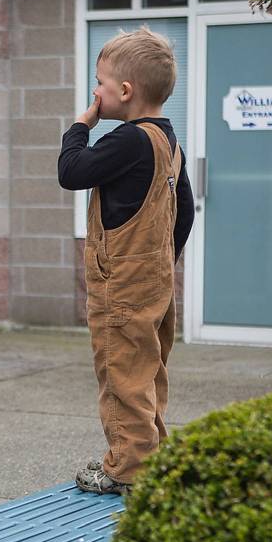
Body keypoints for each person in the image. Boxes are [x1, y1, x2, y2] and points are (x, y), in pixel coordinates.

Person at [57, 26, 194, 496]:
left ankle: (127, 469)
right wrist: (162, 262)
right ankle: (151, 453)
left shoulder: (127, 140)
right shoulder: (168, 141)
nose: (95, 92)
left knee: (120, 372)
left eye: (99, 83)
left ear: (125, 91)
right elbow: (186, 212)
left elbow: (71, 172)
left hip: (122, 283)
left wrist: (80, 127)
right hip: (156, 280)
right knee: (148, 368)